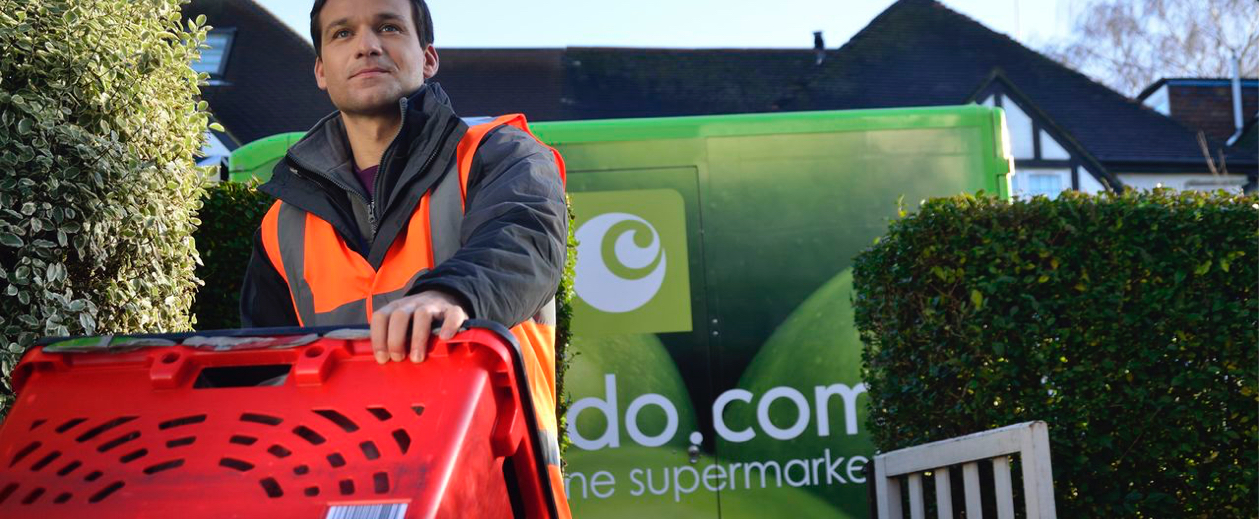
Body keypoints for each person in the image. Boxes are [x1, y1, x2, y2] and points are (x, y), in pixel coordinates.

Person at [238, 0, 570, 513]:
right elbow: (261, 379)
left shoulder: (501, 154)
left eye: (388, 27)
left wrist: (449, 294)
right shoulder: (281, 224)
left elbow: (523, 241)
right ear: (322, 70)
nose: (367, 44)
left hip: (497, 496)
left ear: (428, 57)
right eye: (342, 33)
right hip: (341, 498)